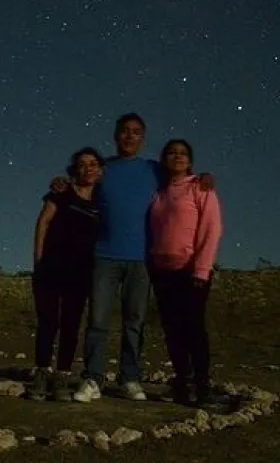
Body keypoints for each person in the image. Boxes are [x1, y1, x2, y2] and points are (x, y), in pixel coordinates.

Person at [50, 113, 215, 403]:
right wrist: (62, 183)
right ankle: (92, 378)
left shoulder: (154, 170)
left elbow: (183, 178)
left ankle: (130, 377)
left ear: (143, 137)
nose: (129, 136)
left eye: (136, 132)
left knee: (134, 321)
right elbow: (81, 181)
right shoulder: (104, 169)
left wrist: (204, 177)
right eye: (124, 131)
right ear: (116, 135)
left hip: (141, 259)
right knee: (98, 320)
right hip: (104, 256)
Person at [147, 139, 224, 407]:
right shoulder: (159, 193)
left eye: (183, 154)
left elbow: (211, 229)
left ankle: (202, 386)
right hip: (162, 272)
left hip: (191, 270)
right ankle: (182, 381)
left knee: (193, 328)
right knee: (172, 330)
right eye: (171, 153)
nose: (177, 157)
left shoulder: (200, 188)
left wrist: (202, 270)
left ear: (190, 161)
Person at [28, 147, 104, 401]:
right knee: (48, 320)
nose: (88, 168)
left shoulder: (102, 201)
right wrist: (38, 260)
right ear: (75, 170)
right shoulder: (61, 193)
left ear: (100, 169)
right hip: (52, 265)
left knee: (71, 324)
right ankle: (41, 372)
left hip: (81, 271)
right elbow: (43, 222)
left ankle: (62, 374)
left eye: (93, 164)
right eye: (82, 164)